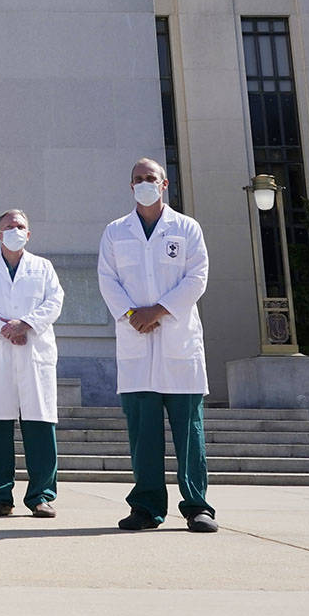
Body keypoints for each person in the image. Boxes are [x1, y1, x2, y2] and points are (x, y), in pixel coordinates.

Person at [97, 157, 217, 533]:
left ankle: (197, 506)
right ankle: (146, 507)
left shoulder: (186, 228)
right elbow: (107, 279)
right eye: (137, 179)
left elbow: (197, 277)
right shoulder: (116, 232)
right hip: (136, 341)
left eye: (151, 178)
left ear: (164, 185)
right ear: (130, 186)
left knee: (188, 432)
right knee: (144, 434)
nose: (144, 183)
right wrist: (134, 315)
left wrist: (159, 311)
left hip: (178, 343)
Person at [0, 209, 65, 517]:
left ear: (28, 233)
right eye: (9, 226)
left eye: (20, 226)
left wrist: (26, 324)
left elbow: (54, 301)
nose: (15, 230)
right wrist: (6, 328)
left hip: (34, 351)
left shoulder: (43, 267)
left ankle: (40, 496)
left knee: (39, 423)